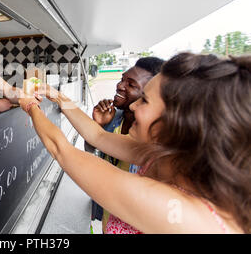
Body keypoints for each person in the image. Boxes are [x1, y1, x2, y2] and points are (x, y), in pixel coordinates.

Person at [20, 52, 249, 233]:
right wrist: (57, 96)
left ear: (178, 121)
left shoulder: (174, 209)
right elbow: (97, 136)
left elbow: (63, 151)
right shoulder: (165, 155)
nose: (132, 106)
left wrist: (30, 107)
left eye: (145, 101)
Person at [86, 57, 164, 231]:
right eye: (122, 79)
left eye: (131, 85)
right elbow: (91, 150)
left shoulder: (154, 145)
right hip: (106, 215)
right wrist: (98, 124)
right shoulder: (112, 117)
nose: (120, 86)